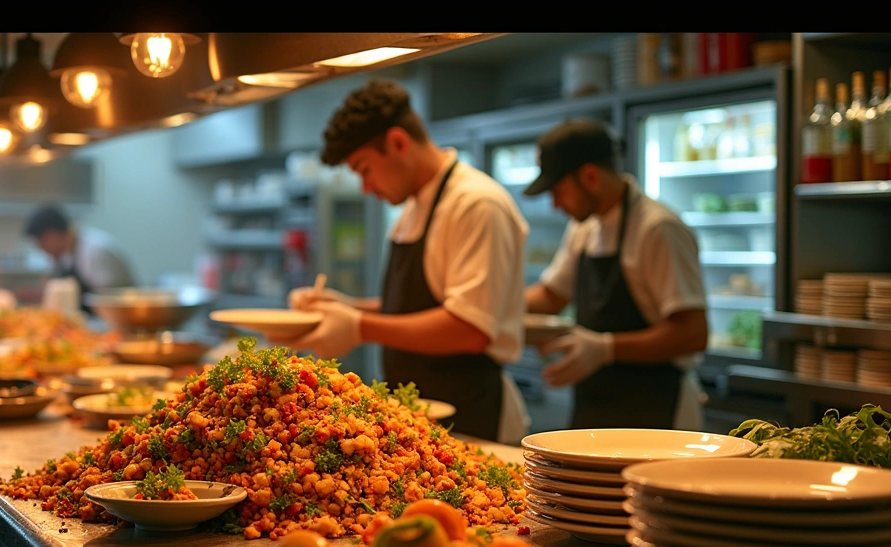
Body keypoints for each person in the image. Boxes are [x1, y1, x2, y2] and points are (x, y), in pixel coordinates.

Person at [282, 78, 531, 444]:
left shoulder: (476, 204)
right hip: (419, 417)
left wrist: (359, 326)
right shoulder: (412, 210)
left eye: (364, 169)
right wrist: (342, 306)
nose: (366, 188)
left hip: (472, 415)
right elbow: (413, 307)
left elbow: (470, 327)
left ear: (398, 143)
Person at [522, 118, 708, 431]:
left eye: (559, 191)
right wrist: (492, 307)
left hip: (657, 409)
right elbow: (551, 295)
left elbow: (692, 333)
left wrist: (605, 348)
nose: (555, 204)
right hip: (596, 406)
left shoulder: (657, 229)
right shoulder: (584, 226)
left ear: (590, 177)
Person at [23, 204, 137, 316]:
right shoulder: (63, 254)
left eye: (41, 243)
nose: (41, 249)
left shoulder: (96, 251)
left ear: (52, 235)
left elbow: (109, 301)